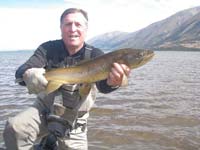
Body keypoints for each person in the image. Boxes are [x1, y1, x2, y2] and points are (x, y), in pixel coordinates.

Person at [3, 8, 131, 150]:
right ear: (61, 28)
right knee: (14, 127)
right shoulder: (47, 49)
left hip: (76, 121)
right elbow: (21, 72)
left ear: (86, 29)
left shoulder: (96, 54)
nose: (73, 29)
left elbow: (103, 87)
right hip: (44, 111)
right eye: (68, 24)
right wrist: (28, 74)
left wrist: (113, 83)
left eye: (78, 24)